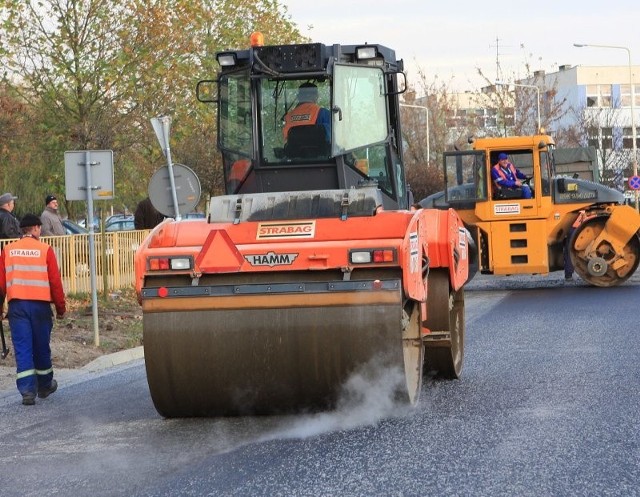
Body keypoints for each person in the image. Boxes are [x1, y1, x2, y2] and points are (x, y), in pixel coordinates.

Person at [0, 213, 66, 406]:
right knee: (40, 346)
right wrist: (60, 308)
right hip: (40, 306)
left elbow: (1, 285)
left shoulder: (8, 250)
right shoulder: (45, 249)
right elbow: (55, 282)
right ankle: (45, 385)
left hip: (17, 306)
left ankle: (28, 392)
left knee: (22, 348)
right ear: (36, 229)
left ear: (22, 230)